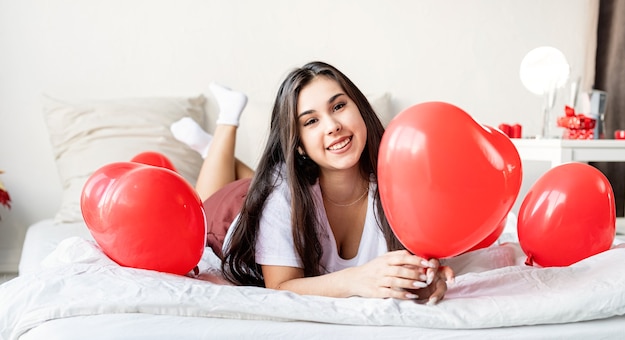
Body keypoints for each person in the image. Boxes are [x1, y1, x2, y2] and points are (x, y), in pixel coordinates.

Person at [171, 62, 454, 304]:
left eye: (339, 106)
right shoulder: (280, 195)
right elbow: (280, 286)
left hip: (290, 183)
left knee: (263, 181)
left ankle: (213, 151)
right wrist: (357, 280)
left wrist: (422, 279)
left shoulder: (401, 184)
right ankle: (225, 125)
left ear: (361, 109)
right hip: (232, 213)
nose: (332, 126)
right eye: (311, 122)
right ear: (299, 146)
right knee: (205, 201)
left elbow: (416, 261)